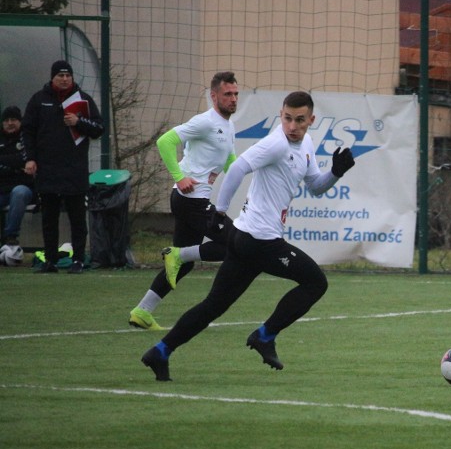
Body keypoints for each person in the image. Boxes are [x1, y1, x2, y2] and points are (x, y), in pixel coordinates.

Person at [141, 91, 356, 381]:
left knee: (213, 306)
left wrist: (336, 173)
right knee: (315, 282)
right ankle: (265, 335)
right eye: (287, 118)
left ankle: (160, 351)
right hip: (260, 240)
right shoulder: (275, 144)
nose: (292, 125)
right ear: (281, 115)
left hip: (246, 239)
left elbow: (316, 186)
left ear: (311, 120)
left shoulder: (305, 142)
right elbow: (239, 167)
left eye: (300, 120)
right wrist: (220, 209)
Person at [128, 71, 239, 331]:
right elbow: (165, 141)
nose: (233, 99)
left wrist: (254, 173)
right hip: (190, 200)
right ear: (214, 96)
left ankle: (142, 311)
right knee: (236, 244)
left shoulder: (228, 125)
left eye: (235, 94)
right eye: (227, 94)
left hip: (191, 201)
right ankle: (176, 254)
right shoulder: (204, 122)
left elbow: (231, 163)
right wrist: (179, 177)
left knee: (185, 265)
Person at [21, 60, 104, 274]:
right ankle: (50, 261)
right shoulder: (39, 100)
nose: (65, 79)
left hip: (74, 170)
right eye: (60, 75)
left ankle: (78, 260)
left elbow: (98, 128)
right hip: (47, 170)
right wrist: (30, 159)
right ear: (53, 77)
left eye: (68, 75)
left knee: (77, 217)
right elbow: (28, 131)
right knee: (49, 218)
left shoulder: (83, 100)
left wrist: (79, 122)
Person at [0, 105, 34, 248]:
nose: (10, 123)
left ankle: (10, 237)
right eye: (6, 120)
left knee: (19, 193)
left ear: (20, 121)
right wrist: (17, 165)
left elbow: (26, 159)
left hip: (24, 186)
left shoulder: (27, 138)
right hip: (2, 188)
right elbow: (20, 161)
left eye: (13, 119)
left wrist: (5, 161)